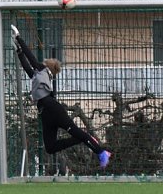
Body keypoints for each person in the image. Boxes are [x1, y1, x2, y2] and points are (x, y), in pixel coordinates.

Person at [10, 25, 112, 169]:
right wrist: (19, 52)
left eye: (44, 62)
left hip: (53, 109)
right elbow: (27, 68)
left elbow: (31, 59)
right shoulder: (39, 76)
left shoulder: (43, 70)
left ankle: (101, 152)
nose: (41, 63)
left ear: (47, 67)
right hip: (45, 113)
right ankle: (82, 138)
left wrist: (19, 38)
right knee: (50, 147)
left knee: (76, 131)